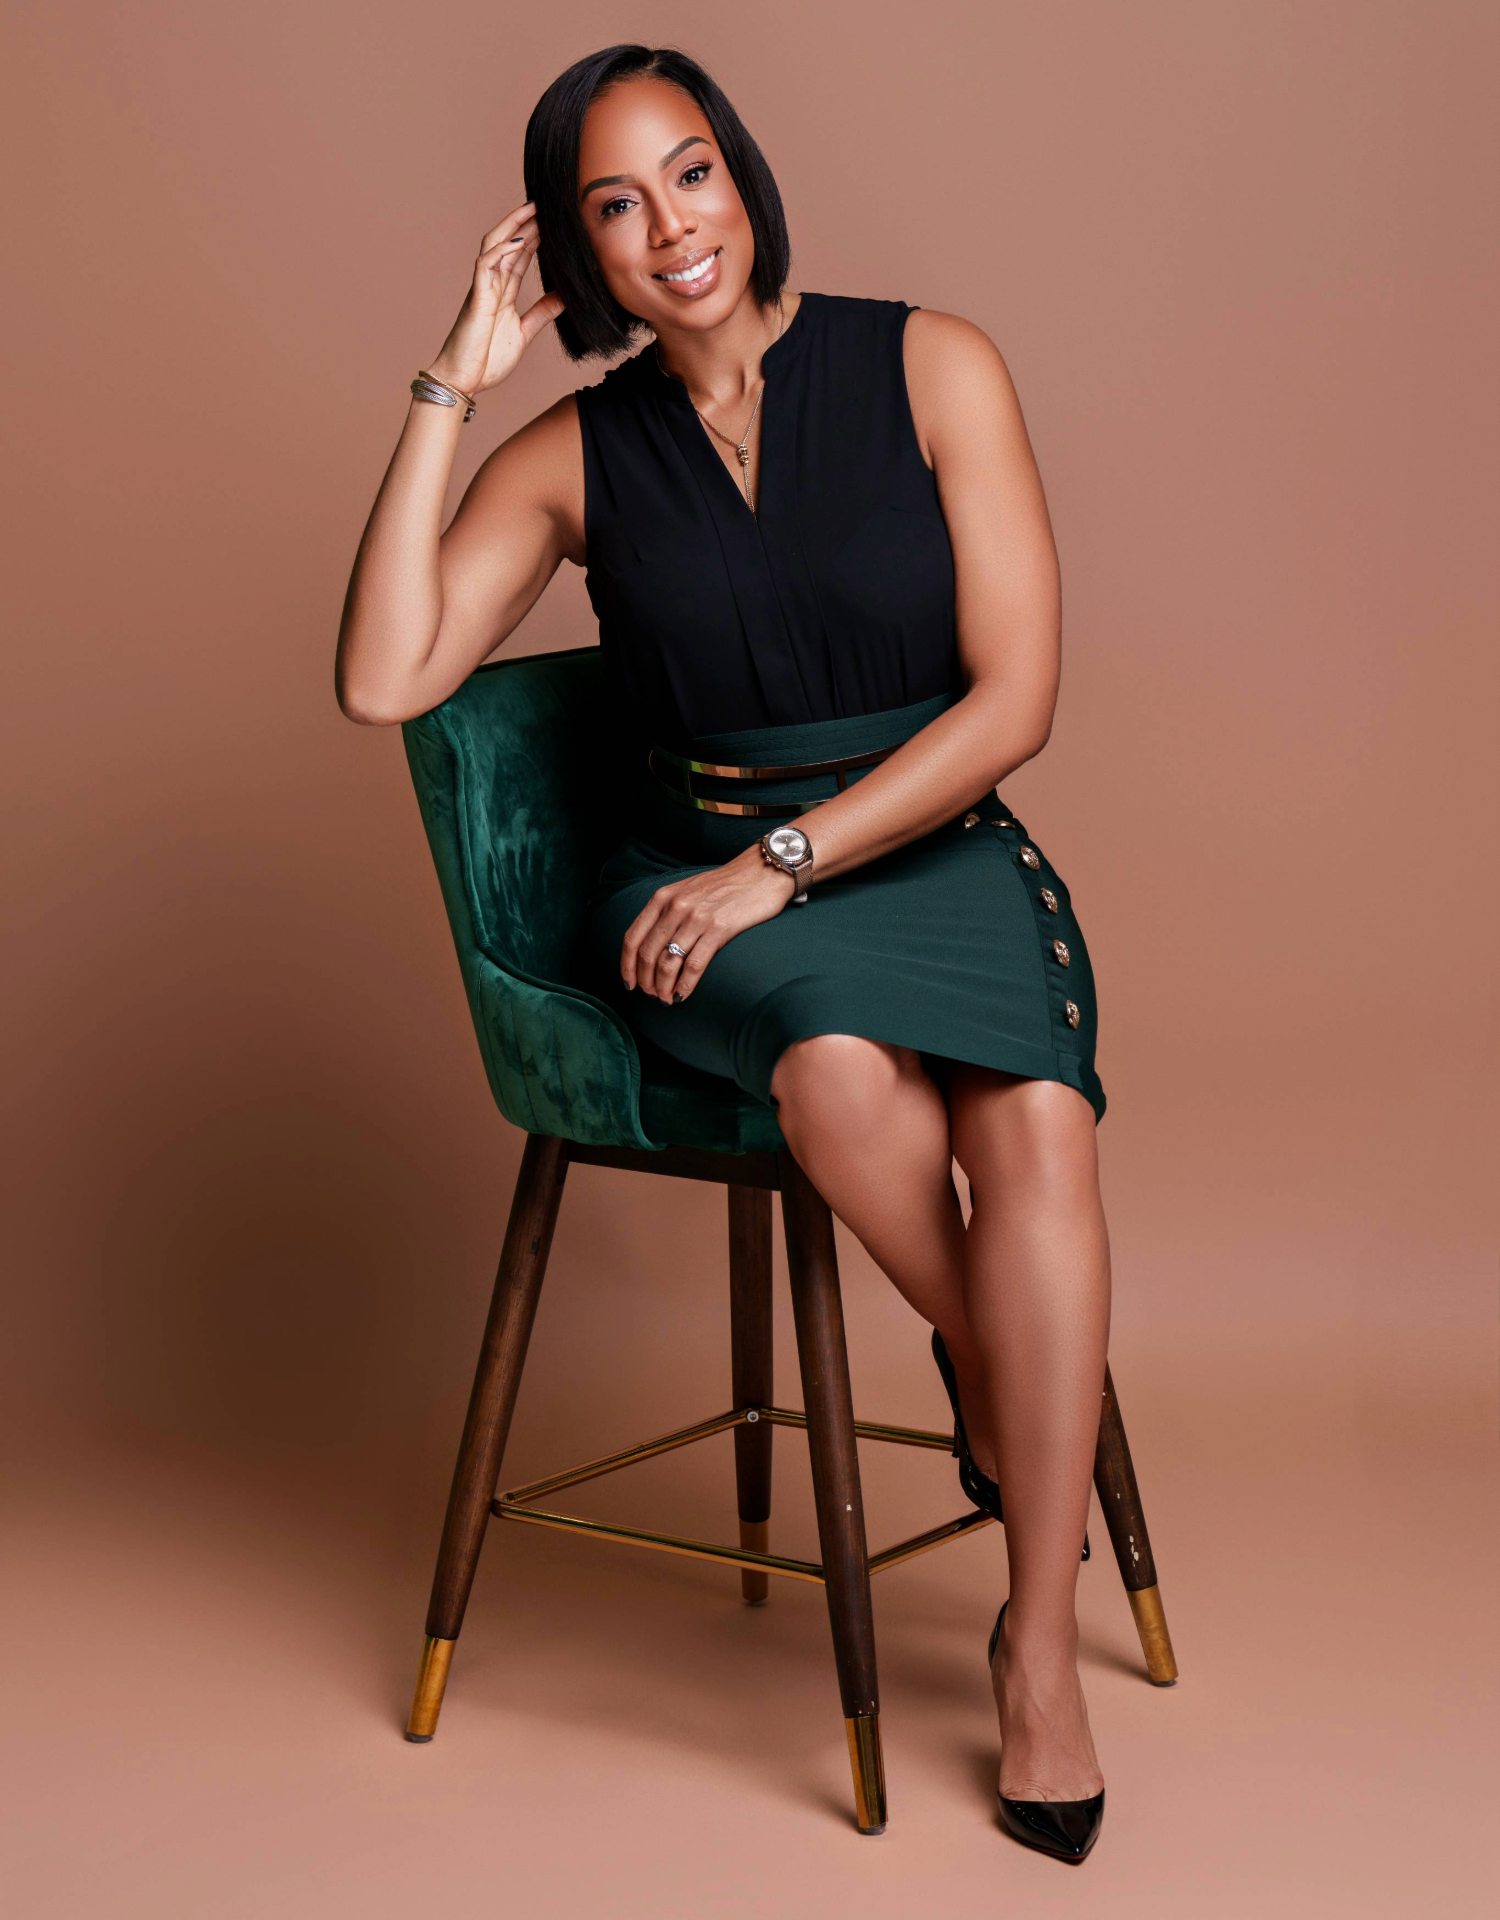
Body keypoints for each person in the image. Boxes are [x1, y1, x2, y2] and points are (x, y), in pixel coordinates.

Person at [337, 42, 1112, 1864]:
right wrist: (455, 372)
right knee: (841, 1079)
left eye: (690, 174)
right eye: (616, 203)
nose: (669, 226)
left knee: (1041, 1133)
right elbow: (385, 676)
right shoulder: (580, 457)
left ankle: (1038, 1657)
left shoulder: (933, 361)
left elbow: (1021, 697)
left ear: (744, 177)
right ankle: (1011, 1381)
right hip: (692, 868)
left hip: (923, 837)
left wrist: (799, 857)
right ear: (578, 253)